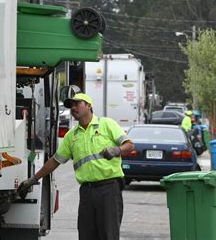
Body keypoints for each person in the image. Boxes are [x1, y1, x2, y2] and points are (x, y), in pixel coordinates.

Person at [17, 93, 135, 240]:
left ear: (89, 106)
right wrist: (33, 179)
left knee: (108, 235)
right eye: (71, 105)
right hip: (86, 192)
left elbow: (129, 145)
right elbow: (55, 161)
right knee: (86, 235)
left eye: (77, 104)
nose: (73, 108)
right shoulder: (71, 135)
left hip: (109, 190)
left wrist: (117, 150)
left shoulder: (107, 124)